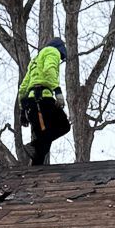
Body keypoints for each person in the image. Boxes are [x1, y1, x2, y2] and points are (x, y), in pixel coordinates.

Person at [17, 37, 73, 165]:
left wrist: (22, 111)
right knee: (63, 126)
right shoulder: (52, 51)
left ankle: (34, 178)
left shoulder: (35, 61)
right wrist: (57, 90)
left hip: (31, 105)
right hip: (43, 101)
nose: (60, 59)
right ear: (60, 49)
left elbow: (23, 87)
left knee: (41, 148)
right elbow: (50, 69)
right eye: (62, 56)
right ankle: (34, 145)